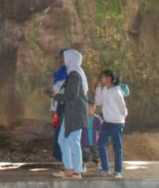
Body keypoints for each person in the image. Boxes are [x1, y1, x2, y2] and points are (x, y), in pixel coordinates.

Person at [53, 48, 89, 178]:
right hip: (72, 112)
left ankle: (76, 170)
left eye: (63, 57)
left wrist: (57, 96)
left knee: (71, 140)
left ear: (69, 58)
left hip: (75, 113)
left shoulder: (74, 75)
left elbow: (72, 94)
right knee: (65, 140)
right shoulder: (73, 73)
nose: (61, 60)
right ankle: (70, 169)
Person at [93, 69, 128, 178]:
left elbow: (123, 108)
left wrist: (121, 118)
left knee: (117, 147)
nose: (100, 79)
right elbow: (98, 102)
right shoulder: (104, 90)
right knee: (101, 144)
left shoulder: (117, 92)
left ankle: (118, 171)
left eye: (102, 77)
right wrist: (98, 88)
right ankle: (105, 168)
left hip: (116, 123)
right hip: (107, 122)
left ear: (109, 79)